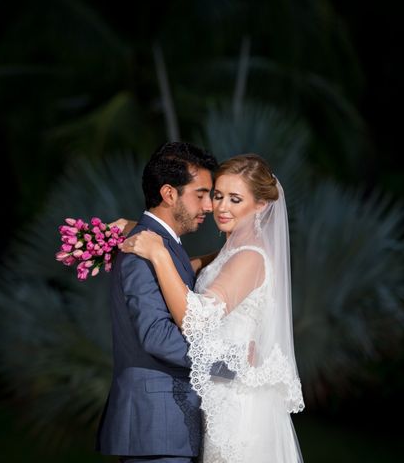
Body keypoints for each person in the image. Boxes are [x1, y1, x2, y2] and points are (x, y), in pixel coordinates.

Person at [120, 154, 305, 463]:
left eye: (235, 199)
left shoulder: (250, 257)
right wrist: (138, 230)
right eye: (217, 196)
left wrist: (158, 254)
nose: (220, 207)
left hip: (238, 411)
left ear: (260, 205)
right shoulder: (232, 251)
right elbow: (191, 270)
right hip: (219, 399)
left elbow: (195, 320)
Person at [95, 141, 219, 463]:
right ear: (169, 193)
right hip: (156, 428)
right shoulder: (142, 253)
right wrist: (222, 365)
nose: (208, 206)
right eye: (201, 194)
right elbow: (157, 336)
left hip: (167, 428)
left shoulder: (161, 244)